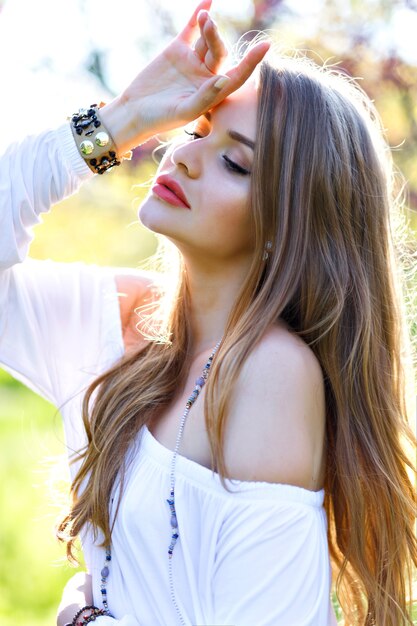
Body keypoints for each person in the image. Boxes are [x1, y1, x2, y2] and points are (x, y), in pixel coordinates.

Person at [0, 0, 416, 624]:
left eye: (234, 161)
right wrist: (117, 122)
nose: (183, 156)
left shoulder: (271, 374)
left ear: (288, 224)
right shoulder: (120, 320)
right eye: (196, 131)